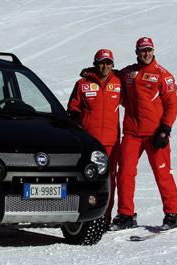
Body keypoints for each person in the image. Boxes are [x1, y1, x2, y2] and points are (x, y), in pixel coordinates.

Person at [111, 37, 177, 231]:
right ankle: (126, 215)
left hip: (155, 134)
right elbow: (109, 75)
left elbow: (172, 104)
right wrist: (91, 73)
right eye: (142, 50)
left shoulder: (162, 75)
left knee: (162, 173)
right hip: (132, 133)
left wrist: (165, 129)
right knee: (125, 172)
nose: (146, 53)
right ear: (137, 52)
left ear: (153, 51)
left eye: (149, 50)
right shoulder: (128, 73)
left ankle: (173, 214)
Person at [68, 49, 122, 228]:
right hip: (89, 143)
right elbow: (73, 110)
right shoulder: (82, 84)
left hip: (111, 142)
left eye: (108, 62)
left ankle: (105, 218)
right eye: (101, 62)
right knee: (86, 178)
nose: (105, 66)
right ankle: (85, 216)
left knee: (109, 180)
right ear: (95, 63)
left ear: (112, 65)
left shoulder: (119, 82)